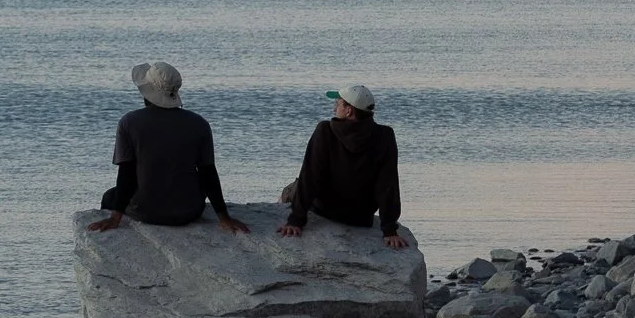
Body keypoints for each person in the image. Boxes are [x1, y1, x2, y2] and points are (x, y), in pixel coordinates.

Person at [88, 61, 248, 234]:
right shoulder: (199, 123)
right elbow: (207, 173)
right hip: (189, 211)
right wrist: (224, 218)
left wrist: (115, 217)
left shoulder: (129, 122)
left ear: (147, 92)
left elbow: (127, 173)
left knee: (109, 196)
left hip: (146, 212)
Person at [277, 85, 407, 249]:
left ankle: (284, 204)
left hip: (325, 209)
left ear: (349, 111)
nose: (334, 108)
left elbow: (311, 176)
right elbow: (388, 185)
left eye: (337, 104)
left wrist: (295, 220)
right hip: (361, 217)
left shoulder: (325, 130)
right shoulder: (385, 135)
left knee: (291, 189)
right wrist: (389, 229)